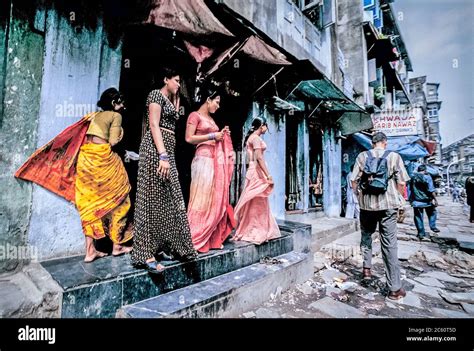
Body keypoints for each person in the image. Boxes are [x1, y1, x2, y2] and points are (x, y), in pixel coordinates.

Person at [16, 88, 133, 262]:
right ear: (113, 103)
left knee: (89, 204)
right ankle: (117, 245)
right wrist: (122, 137)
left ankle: (90, 251)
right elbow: (114, 141)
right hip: (104, 161)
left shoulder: (93, 116)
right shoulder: (116, 116)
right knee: (122, 200)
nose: (123, 106)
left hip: (86, 161)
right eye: (121, 102)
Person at [131, 68, 197, 272]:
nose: (179, 84)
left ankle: (166, 245)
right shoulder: (155, 95)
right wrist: (163, 155)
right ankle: (145, 254)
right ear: (165, 79)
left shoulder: (172, 100)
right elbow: (153, 124)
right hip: (154, 151)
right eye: (176, 80)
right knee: (149, 199)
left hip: (167, 152)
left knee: (170, 199)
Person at [351, 132, 410, 300]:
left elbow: (353, 180)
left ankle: (367, 269)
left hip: (366, 206)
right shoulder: (394, 156)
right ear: (385, 142)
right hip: (388, 205)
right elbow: (402, 182)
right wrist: (400, 200)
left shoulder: (362, 156)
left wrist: (358, 195)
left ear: (372, 143)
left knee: (366, 236)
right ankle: (394, 288)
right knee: (389, 244)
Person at [185, 86, 235, 253]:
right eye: (217, 102)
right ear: (208, 99)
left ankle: (210, 239)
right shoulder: (195, 115)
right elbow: (189, 138)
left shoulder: (212, 120)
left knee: (214, 199)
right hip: (203, 161)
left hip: (214, 160)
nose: (218, 106)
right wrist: (213, 136)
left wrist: (222, 134)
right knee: (201, 199)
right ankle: (194, 236)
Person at [232, 117, 281, 244]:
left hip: (255, 170)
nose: (266, 129)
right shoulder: (256, 139)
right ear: (262, 126)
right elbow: (259, 157)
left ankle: (256, 227)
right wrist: (268, 175)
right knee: (257, 201)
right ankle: (255, 229)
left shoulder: (252, 138)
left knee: (256, 201)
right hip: (257, 171)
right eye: (266, 126)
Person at [409, 164, 440, 240]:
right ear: (425, 170)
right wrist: (435, 200)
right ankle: (433, 226)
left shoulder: (412, 177)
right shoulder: (427, 177)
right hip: (427, 201)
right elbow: (431, 190)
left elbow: (410, 189)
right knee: (432, 213)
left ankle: (420, 233)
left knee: (418, 217)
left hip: (416, 201)